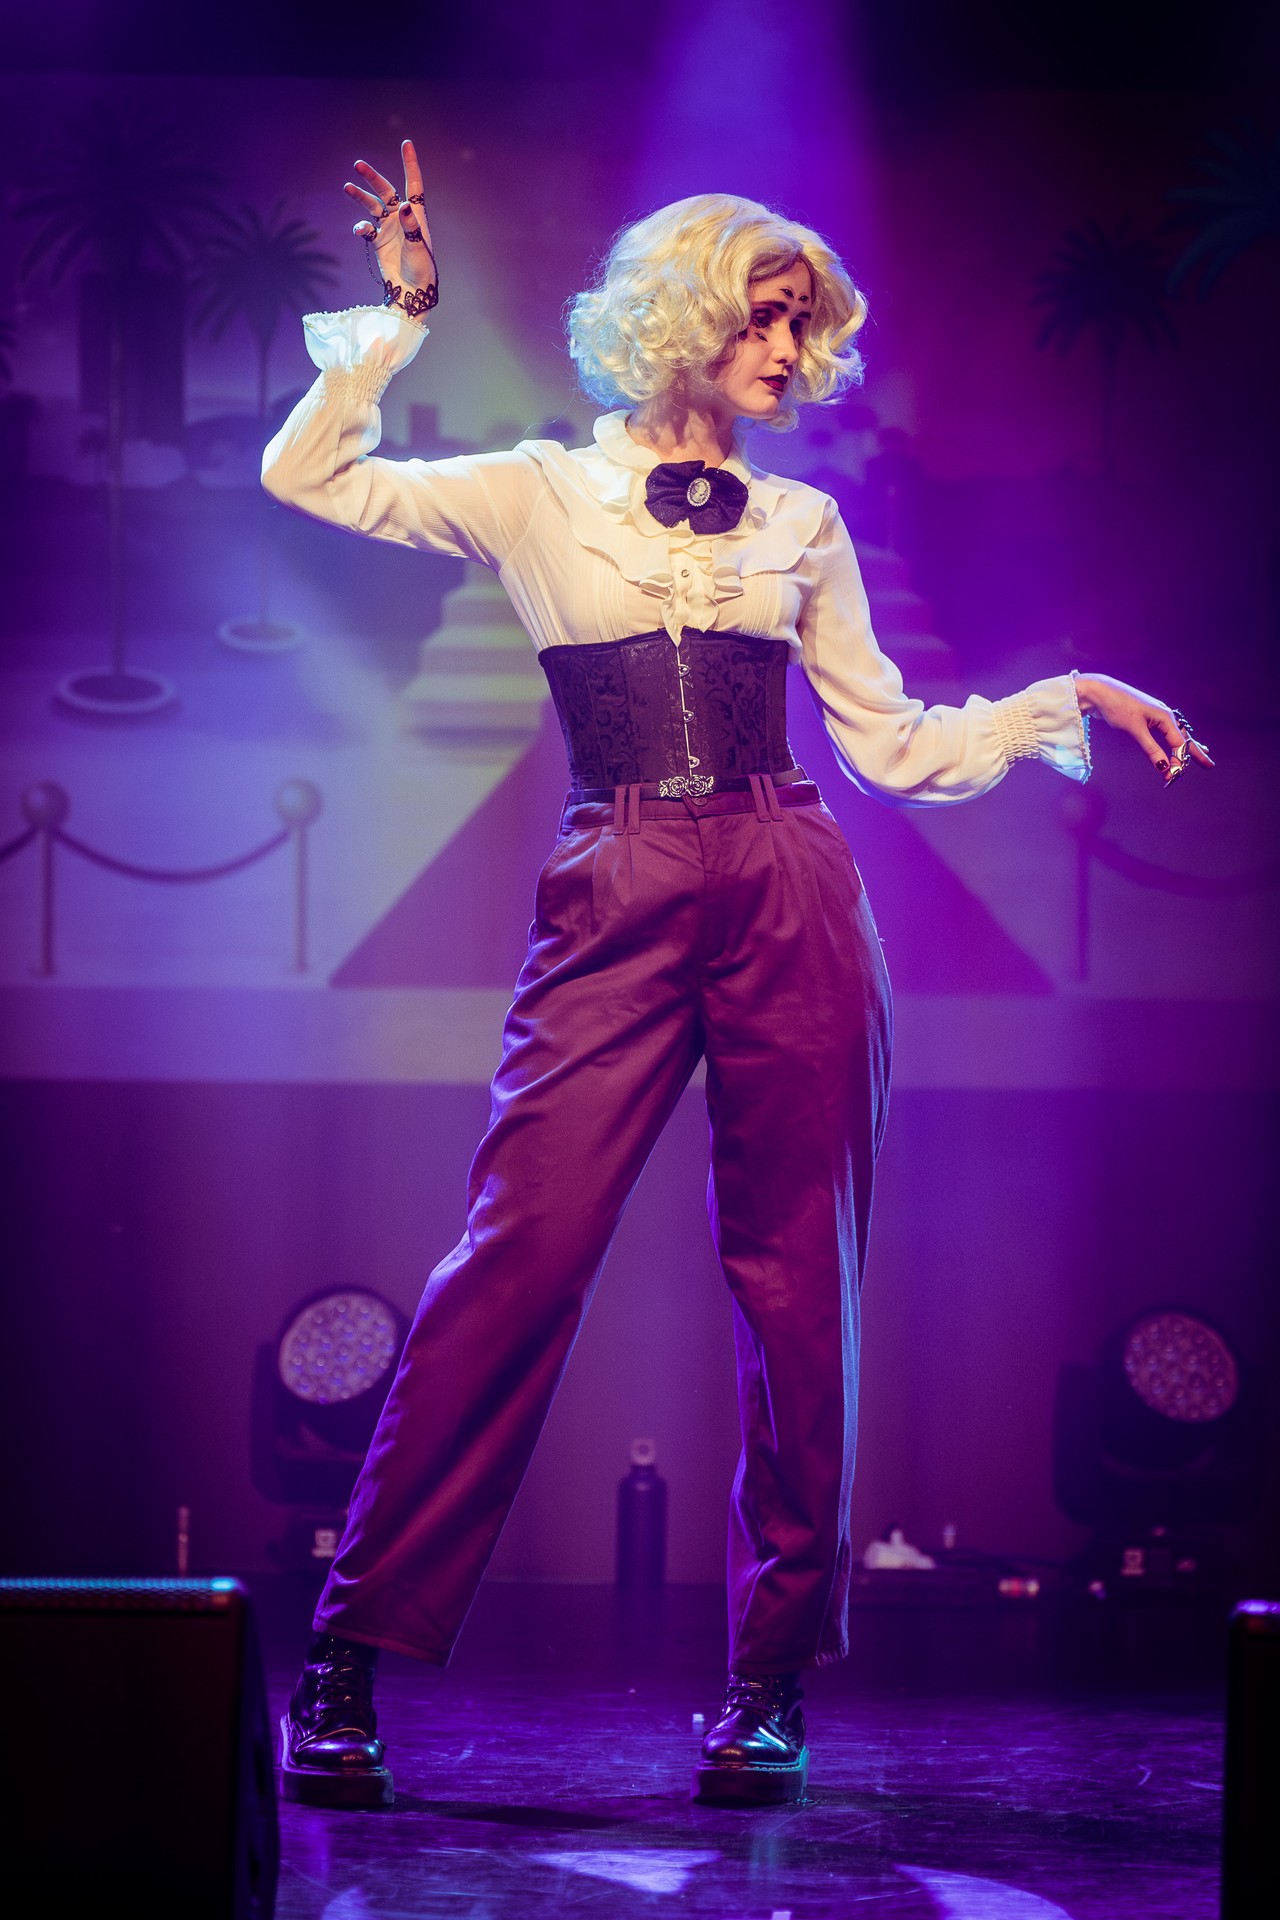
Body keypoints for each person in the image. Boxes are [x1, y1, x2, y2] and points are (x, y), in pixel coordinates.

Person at [262, 140, 1211, 1810]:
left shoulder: (804, 524)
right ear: (683, 318)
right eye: (763, 318)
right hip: (615, 876)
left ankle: (767, 1683)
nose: (788, 350)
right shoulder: (538, 492)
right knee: (515, 1259)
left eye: (802, 326)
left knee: (797, 1291)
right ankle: (345, 1656)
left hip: (790, 878)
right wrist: (400, 319)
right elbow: (312, 477)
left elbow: (894, 749)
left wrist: (1057, 698)